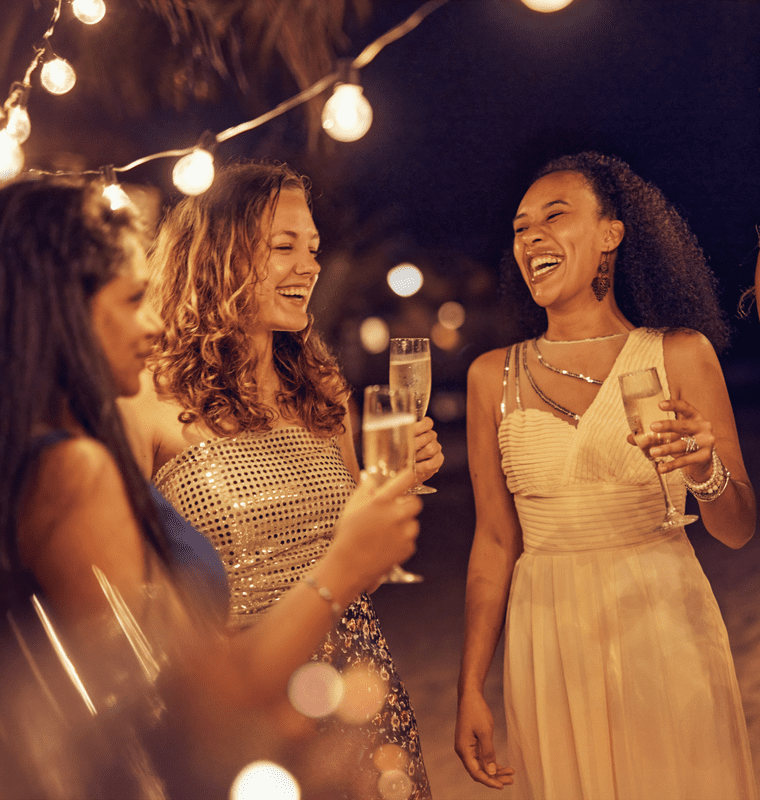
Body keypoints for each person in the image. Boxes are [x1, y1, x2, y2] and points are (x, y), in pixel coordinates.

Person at [0, 177, 422, 798]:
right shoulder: (76, 468)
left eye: (314, 246)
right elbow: (186, 697)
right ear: (63, 307)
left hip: (336, 688)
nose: (151, 319)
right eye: (132, 297)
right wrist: (343, 567)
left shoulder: (317, 382)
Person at [118, 160, 443, 800]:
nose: (310, 266)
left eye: (313, 248)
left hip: (360, 691)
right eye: (283, 247)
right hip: (243, 705)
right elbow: (126, 602)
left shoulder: (323, 392)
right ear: (216, 256)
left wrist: (398, 493)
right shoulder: (145, 397)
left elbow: (361, 568)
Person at [455, 151, 757, 800]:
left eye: (553, 217)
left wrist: (704, 471)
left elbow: (736, 531)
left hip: (663, 620)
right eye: (519, 227)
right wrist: (470, 686)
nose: (530, 236)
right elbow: (493, 545)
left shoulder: (679, 353)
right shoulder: (490, 377)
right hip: (547, 640)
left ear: (611, 235)